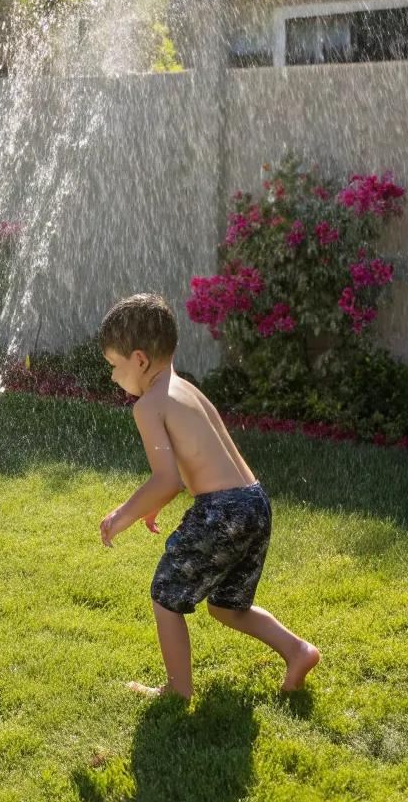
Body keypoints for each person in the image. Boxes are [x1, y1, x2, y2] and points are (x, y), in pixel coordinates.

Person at [98, 292, 320, 700]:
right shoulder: (188, 391)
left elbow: (167, 479)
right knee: (227, 605)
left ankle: (177, 691)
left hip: (222, 510)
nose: (113, 377)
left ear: (140, 360)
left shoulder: (149, 406)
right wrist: (159, 506)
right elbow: (196, 463)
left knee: (166, 595)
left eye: (115, 366)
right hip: (254, 503)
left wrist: (123, 515)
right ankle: (297, 650)